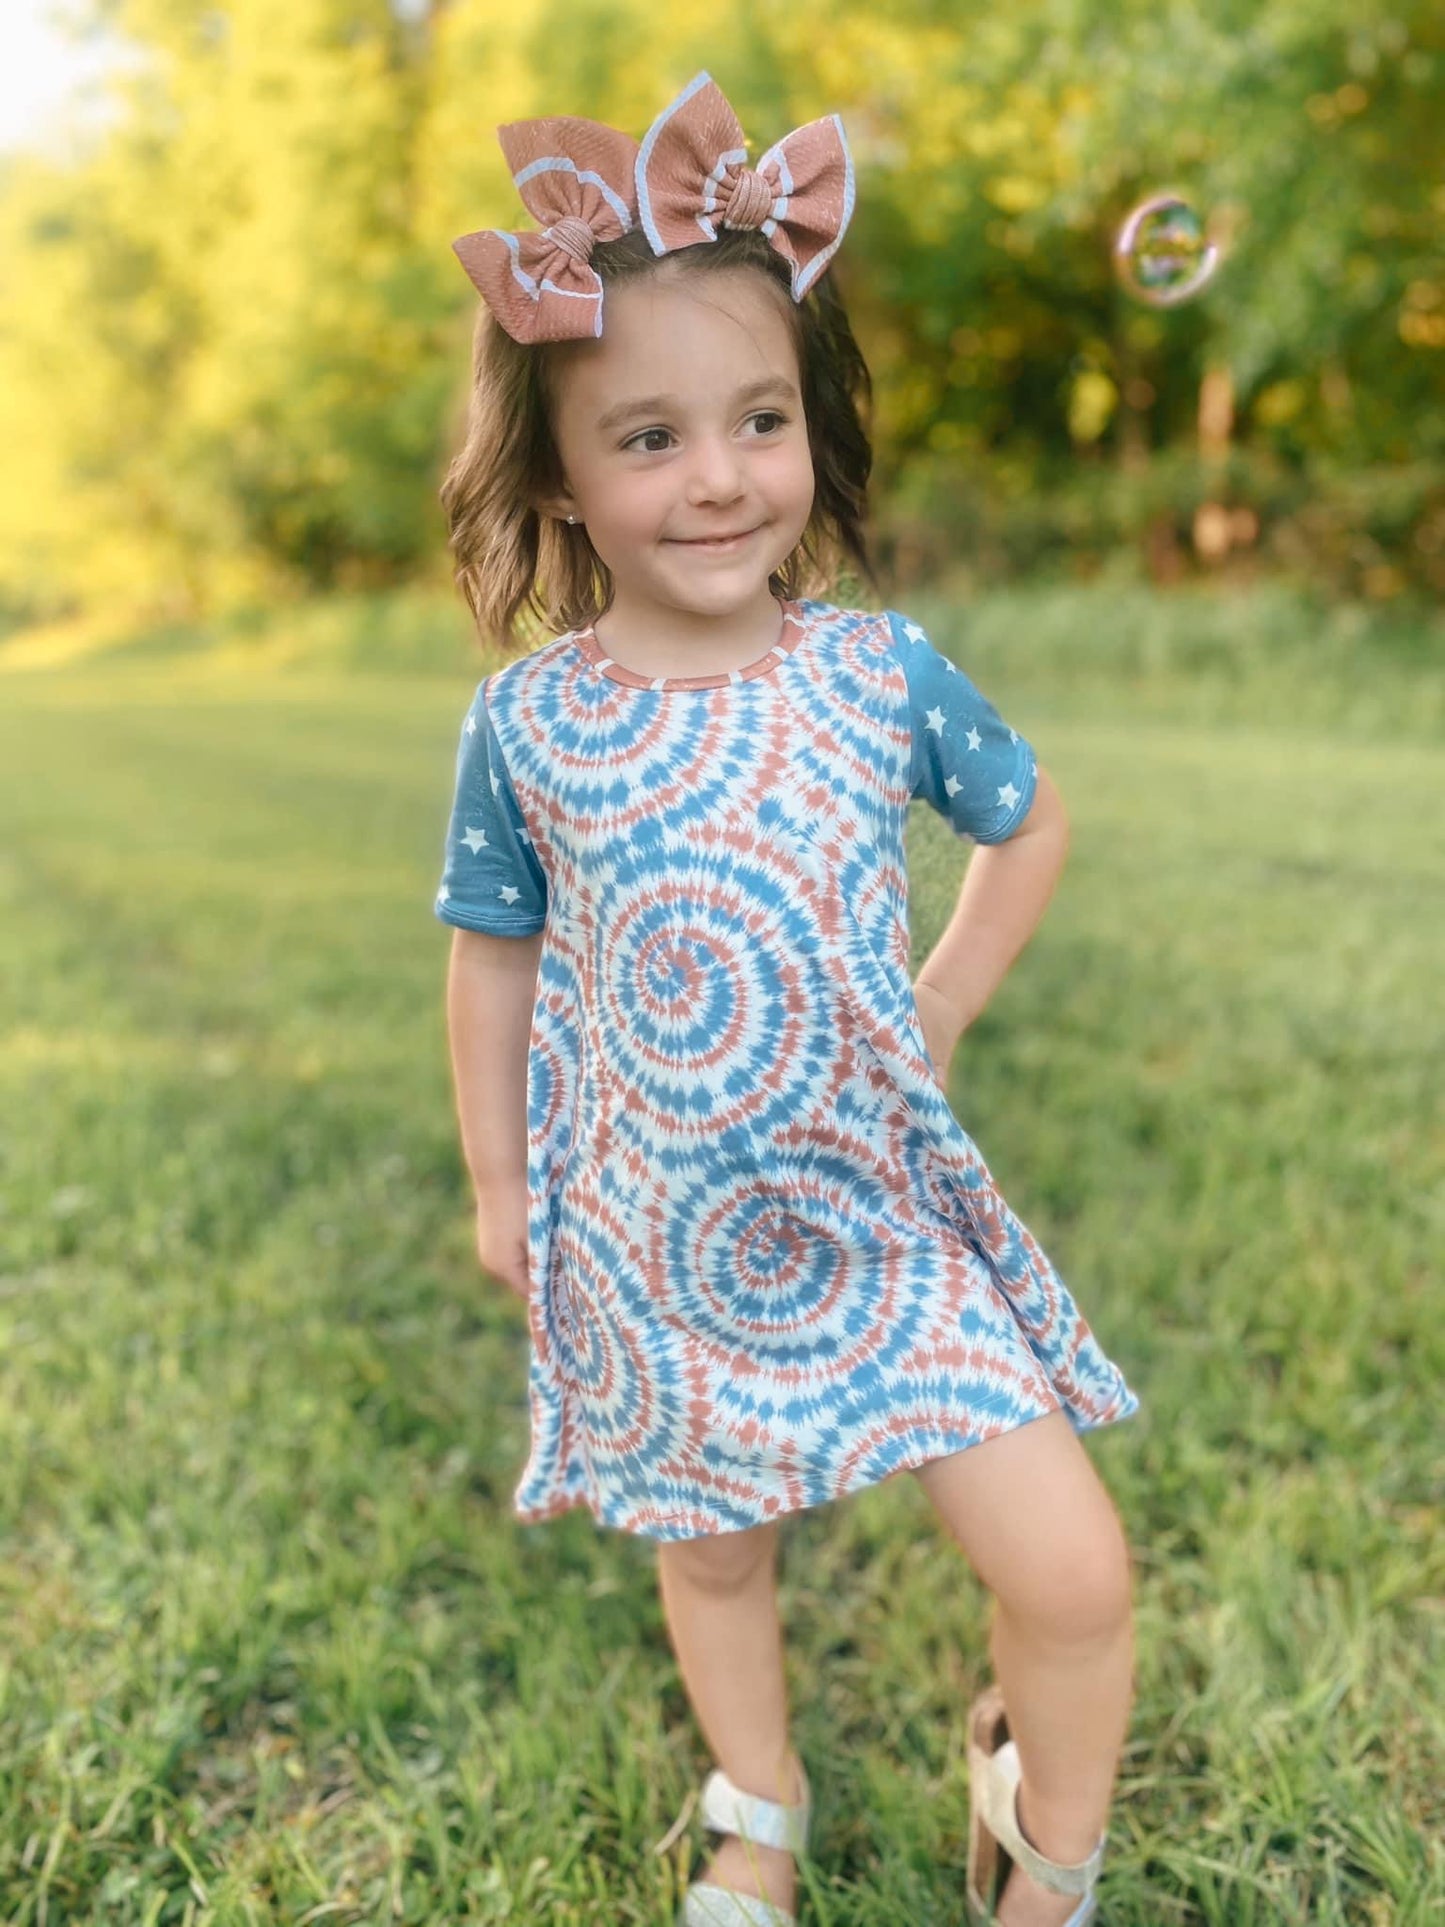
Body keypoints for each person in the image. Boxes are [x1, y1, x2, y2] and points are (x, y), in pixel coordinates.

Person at [432, 71, 1141, 1927]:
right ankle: (758, 1809)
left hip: (881, 1215)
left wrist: (938, 1006)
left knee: (1068, 1575)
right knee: (714, 1562)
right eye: (649, 437)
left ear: (810, 423)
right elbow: (489, 958)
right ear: (561, 479)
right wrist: (504, 1187)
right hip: (661, 1231)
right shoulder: (532, 721)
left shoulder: (875, 674)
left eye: (758, 418)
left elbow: (1030, 822)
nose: (720, 474)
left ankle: (1043, 1862)